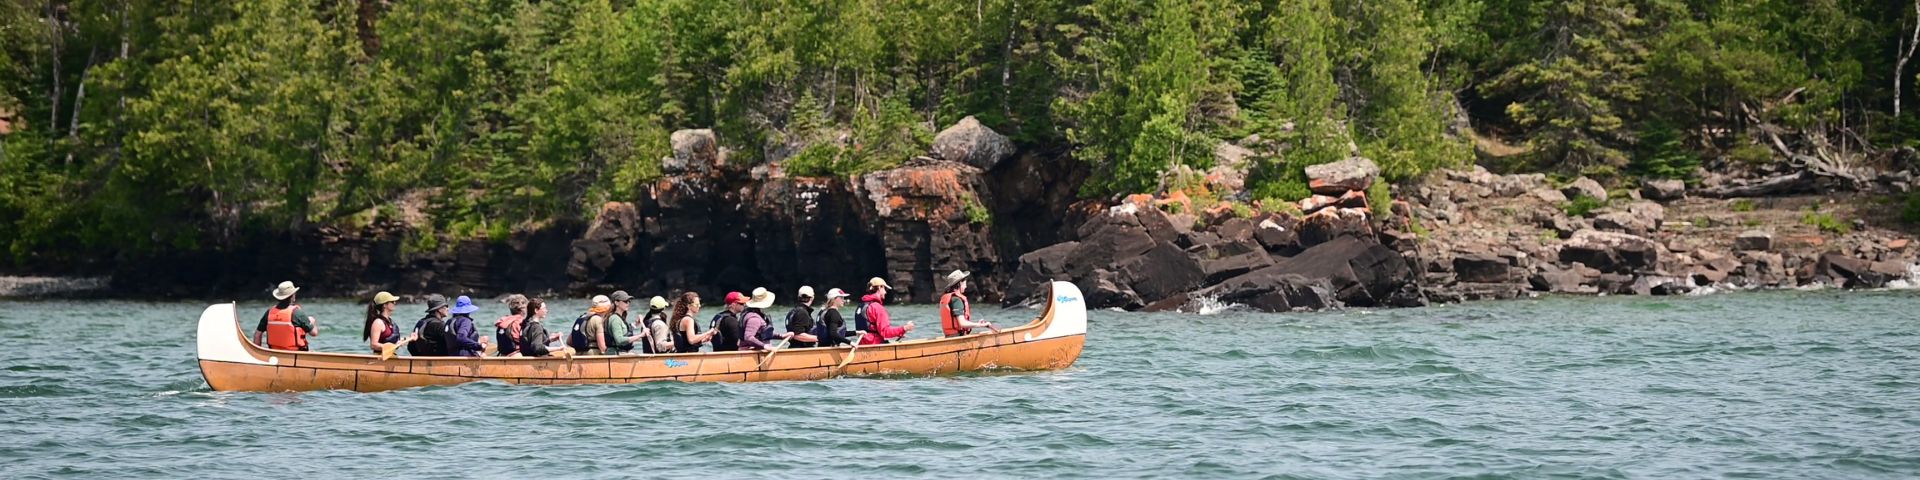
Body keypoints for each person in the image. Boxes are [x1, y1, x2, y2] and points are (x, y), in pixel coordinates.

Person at [253, 281, 318, 351]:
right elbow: (314, 333)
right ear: (292, 295)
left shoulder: (269, 312)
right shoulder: (297, 313)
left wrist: (257, 352)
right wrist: (312, 321)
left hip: (274, 353)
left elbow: (257, 334)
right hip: (296, 354)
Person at [858, 278, 913, 345]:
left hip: (862, 344)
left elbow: (871, 330)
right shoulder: (877, 308)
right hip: (874, 345)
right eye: (885, 289)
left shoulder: (861, 306)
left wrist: (897, 332)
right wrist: (904, 328)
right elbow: (885, 332)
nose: (886, 292)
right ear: (879, 287)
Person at [939, 270, 994, 337]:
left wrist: (977, 324)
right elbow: (962, 323)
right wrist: (981, 325)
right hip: (957, 337)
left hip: (950, 336)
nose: (966, 286)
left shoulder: (950, 298)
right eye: (965, 283)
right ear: (960, 283)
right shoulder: (956, 300)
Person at [588, 291, 643, 355]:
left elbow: (622, 330)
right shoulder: (615, 319)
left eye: (629, 301)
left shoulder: (618, 317)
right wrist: (641, 335)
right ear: (616, 302)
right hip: (615, 353)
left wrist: (636, 324)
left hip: (619, 352)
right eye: (625, 301)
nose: (628, 303)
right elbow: (619, 340)